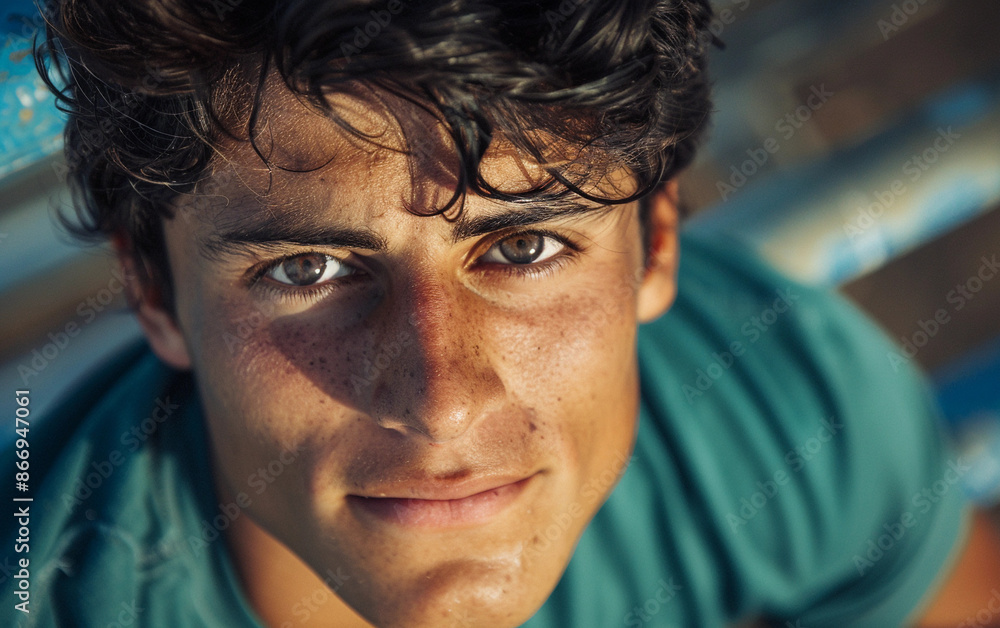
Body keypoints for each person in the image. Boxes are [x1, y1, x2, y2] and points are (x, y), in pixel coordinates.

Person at [5, 0, 1000, 626]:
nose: (440, 402)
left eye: (521, 248)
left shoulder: (779, 405)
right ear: (153, 291)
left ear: (655, 247)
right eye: (307, 267)